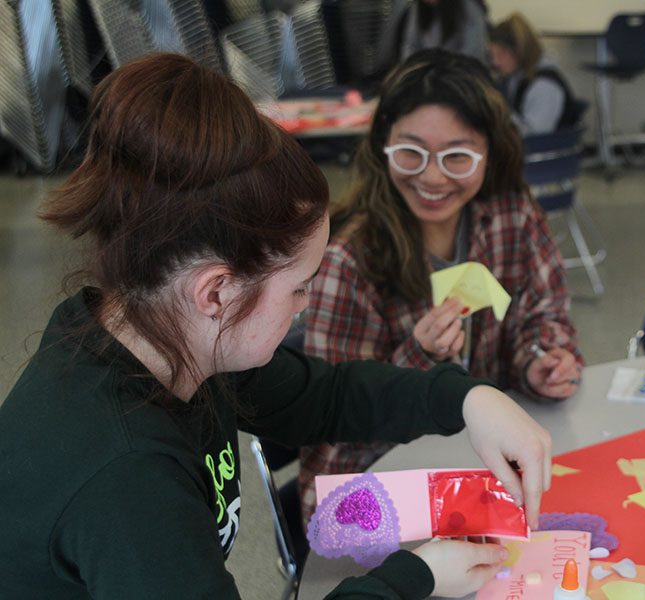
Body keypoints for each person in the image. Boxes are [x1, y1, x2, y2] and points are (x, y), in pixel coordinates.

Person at [0, 52, 554, 600]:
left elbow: (329, 396)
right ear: (217, 291)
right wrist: (418, 576)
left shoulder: (173, 334)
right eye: (299, 287)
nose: (306, 305)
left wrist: (470, 400)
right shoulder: (126, 477)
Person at [299, 48, 583, 527]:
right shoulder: (348, 259)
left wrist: (541, 359)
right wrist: (420, 360)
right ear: (382, 145)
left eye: (457, 156)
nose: (432, 176)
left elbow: (543, 315)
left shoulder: (511, 215)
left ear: (489, 153)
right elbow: (336, 419)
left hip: (486, 472)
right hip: (375, 503)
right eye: (411, 152)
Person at [489, 12, 585, 134]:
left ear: (519, 51)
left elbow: (536, 136)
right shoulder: (515, 78)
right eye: (492, 56)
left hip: (540, 150)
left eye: (501, 54)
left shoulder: (544, 86)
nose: (495, 62)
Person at [376, 0, 490, 72]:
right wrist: (411, 69)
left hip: (463, 78)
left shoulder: (469, 6)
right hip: (428, 75)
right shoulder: (418, 8)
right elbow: (410, 44)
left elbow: (473, 54)